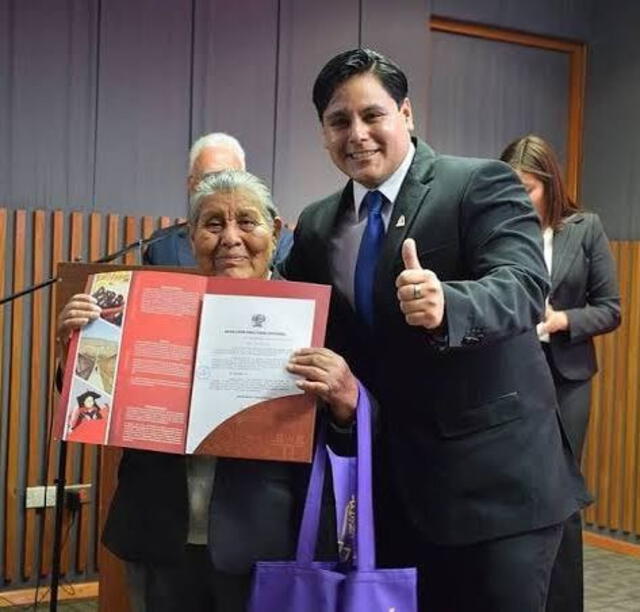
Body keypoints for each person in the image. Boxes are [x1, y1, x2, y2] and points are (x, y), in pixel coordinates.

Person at [279, 48, 591, 611]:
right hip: (395, 488)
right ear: (323, 132)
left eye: (373, 115)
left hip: (499, 488)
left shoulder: (478, 183)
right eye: (338, 121)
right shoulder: (319, 223)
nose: (358, 134)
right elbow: (295, 317)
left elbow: (524, 287)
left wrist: (451, 302)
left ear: (407, 114)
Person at [56, 170, 358, 612]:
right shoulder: (145, 306)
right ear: (191, 235)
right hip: (158, 532)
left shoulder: (314, 315)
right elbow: (95, 407)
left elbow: (345, 435)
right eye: (213, 224)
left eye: (247, 222)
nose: (230, 238)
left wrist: (345, 402)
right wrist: (79, 349)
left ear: (274, 232)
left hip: (266, 540)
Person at [500, 134, 621, 612]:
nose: (518, 199)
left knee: (563, 494)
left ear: (550, 186)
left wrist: (560, 321)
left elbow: (610, 310)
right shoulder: (496, 229)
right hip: (507, 372)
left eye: (527, 188)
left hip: (565, 374)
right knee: (510, 490)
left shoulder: (584, 228)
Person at [144, 132, 293, 267]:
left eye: (231, 177)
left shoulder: (286, 245)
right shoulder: (162, 247)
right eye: (210, 179)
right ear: (191, 185)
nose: (231, 239)